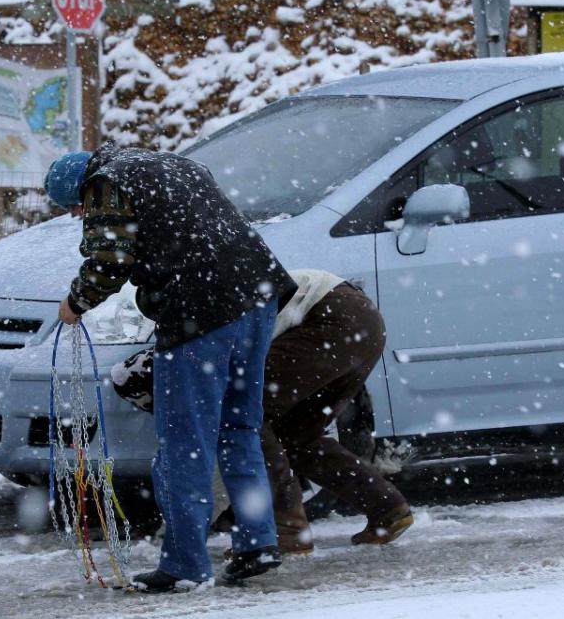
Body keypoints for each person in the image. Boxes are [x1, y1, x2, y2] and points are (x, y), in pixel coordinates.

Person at [45, 142, 296, 593]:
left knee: (185, 441)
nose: (77, 215)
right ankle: (258, 541)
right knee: (239, 427)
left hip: (199, 310)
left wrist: (75, 303)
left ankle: (186, 565)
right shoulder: (170, 163)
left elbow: (110, 260)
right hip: (258, 295)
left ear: (82, 190)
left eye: (76, 207)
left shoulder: (108, 182)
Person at [112, 269, 413, 555]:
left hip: (329, 319)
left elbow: (226, 412)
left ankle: (286, 528)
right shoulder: (214, 296)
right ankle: (386, 508)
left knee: (244, 417)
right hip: (362, 323)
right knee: (297, 434)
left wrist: (190, 525)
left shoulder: (214, 314)